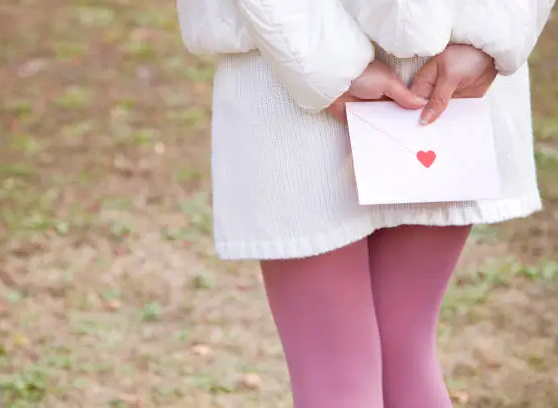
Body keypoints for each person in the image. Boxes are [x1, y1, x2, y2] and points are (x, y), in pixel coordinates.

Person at [176, 1, 555, 407]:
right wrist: (492, 31)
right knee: (397, 356)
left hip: (304, 59)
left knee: (342, 373)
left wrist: (490, 38)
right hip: (427, 65)